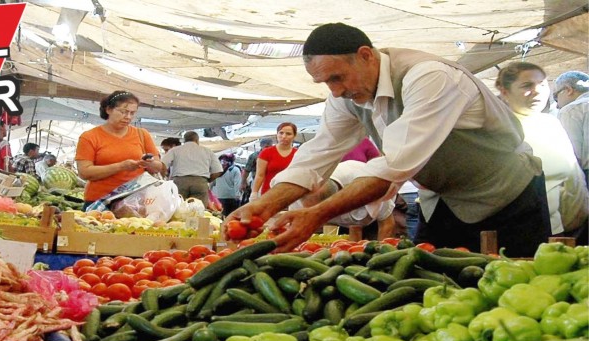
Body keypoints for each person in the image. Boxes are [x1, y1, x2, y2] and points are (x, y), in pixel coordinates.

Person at [226, 23, 550, 257]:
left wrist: (317, 214)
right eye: (324, 82)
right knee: (437, 290)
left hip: (508, 197)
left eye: (337, 77)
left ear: (366, 55)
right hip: (443, 202)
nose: (334, 90)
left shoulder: (428, 76)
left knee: (516, 290)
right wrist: (263, 205)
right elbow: (316, 155)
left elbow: (392, 166)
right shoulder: (345, 96)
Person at [496, 62, 588, 239]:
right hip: (532, 232)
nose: (538, 91)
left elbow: (573, 171)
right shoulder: (501, 129)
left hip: (574, 226)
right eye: (527, 85)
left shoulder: (550, 122)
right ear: (505, 92)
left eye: (543, 84)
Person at [75, 91, 165, 210]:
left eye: (132, 113)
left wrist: (150, 163)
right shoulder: (89, 137)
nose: (128, 117)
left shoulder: (142, 134)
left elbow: (158, 167)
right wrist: (121, 166)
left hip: (135, 201)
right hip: (99, 201)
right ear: (108, 110)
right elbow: (84, 172)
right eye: (123, 112)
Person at [291, 160, 395, 239]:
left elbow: (386, 223)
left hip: (374, 222)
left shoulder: (369, 185)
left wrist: (380, 252)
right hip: (349, 220)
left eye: (320, 212)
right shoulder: (299, 196)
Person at [161, 130, 223, 208]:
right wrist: (208, 180)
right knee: (198, 210)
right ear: (197, 140)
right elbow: (218, 170)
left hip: (180, 182)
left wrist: (163, 177)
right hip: (200, 182)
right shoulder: (207, 151)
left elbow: (162, 164)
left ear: (184, 140)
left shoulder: (175, 150)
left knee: (179, 209)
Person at [554, 71, 589, 185]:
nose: (557, 105)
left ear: (568, 89)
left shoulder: (571, 110)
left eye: (555, 97)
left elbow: (572, 157)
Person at [250, 122, 298, 201]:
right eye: (281, 133)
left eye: (288, 134)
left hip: (291, 196)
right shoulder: (266, 153)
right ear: (277, 134)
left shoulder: (298, 154)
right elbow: (260, 175)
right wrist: (254, 193)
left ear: (294, 136)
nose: (284, 136)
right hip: (268, 194)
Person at [240, 137, 273, 203]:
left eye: (270, 146)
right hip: (258, 182)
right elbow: (247, 170)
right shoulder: (254, 156)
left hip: (272, 181)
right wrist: (243, 182)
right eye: (266, 146)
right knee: (258, 202)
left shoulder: (274, 155)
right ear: (261, 146)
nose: (268, 148)